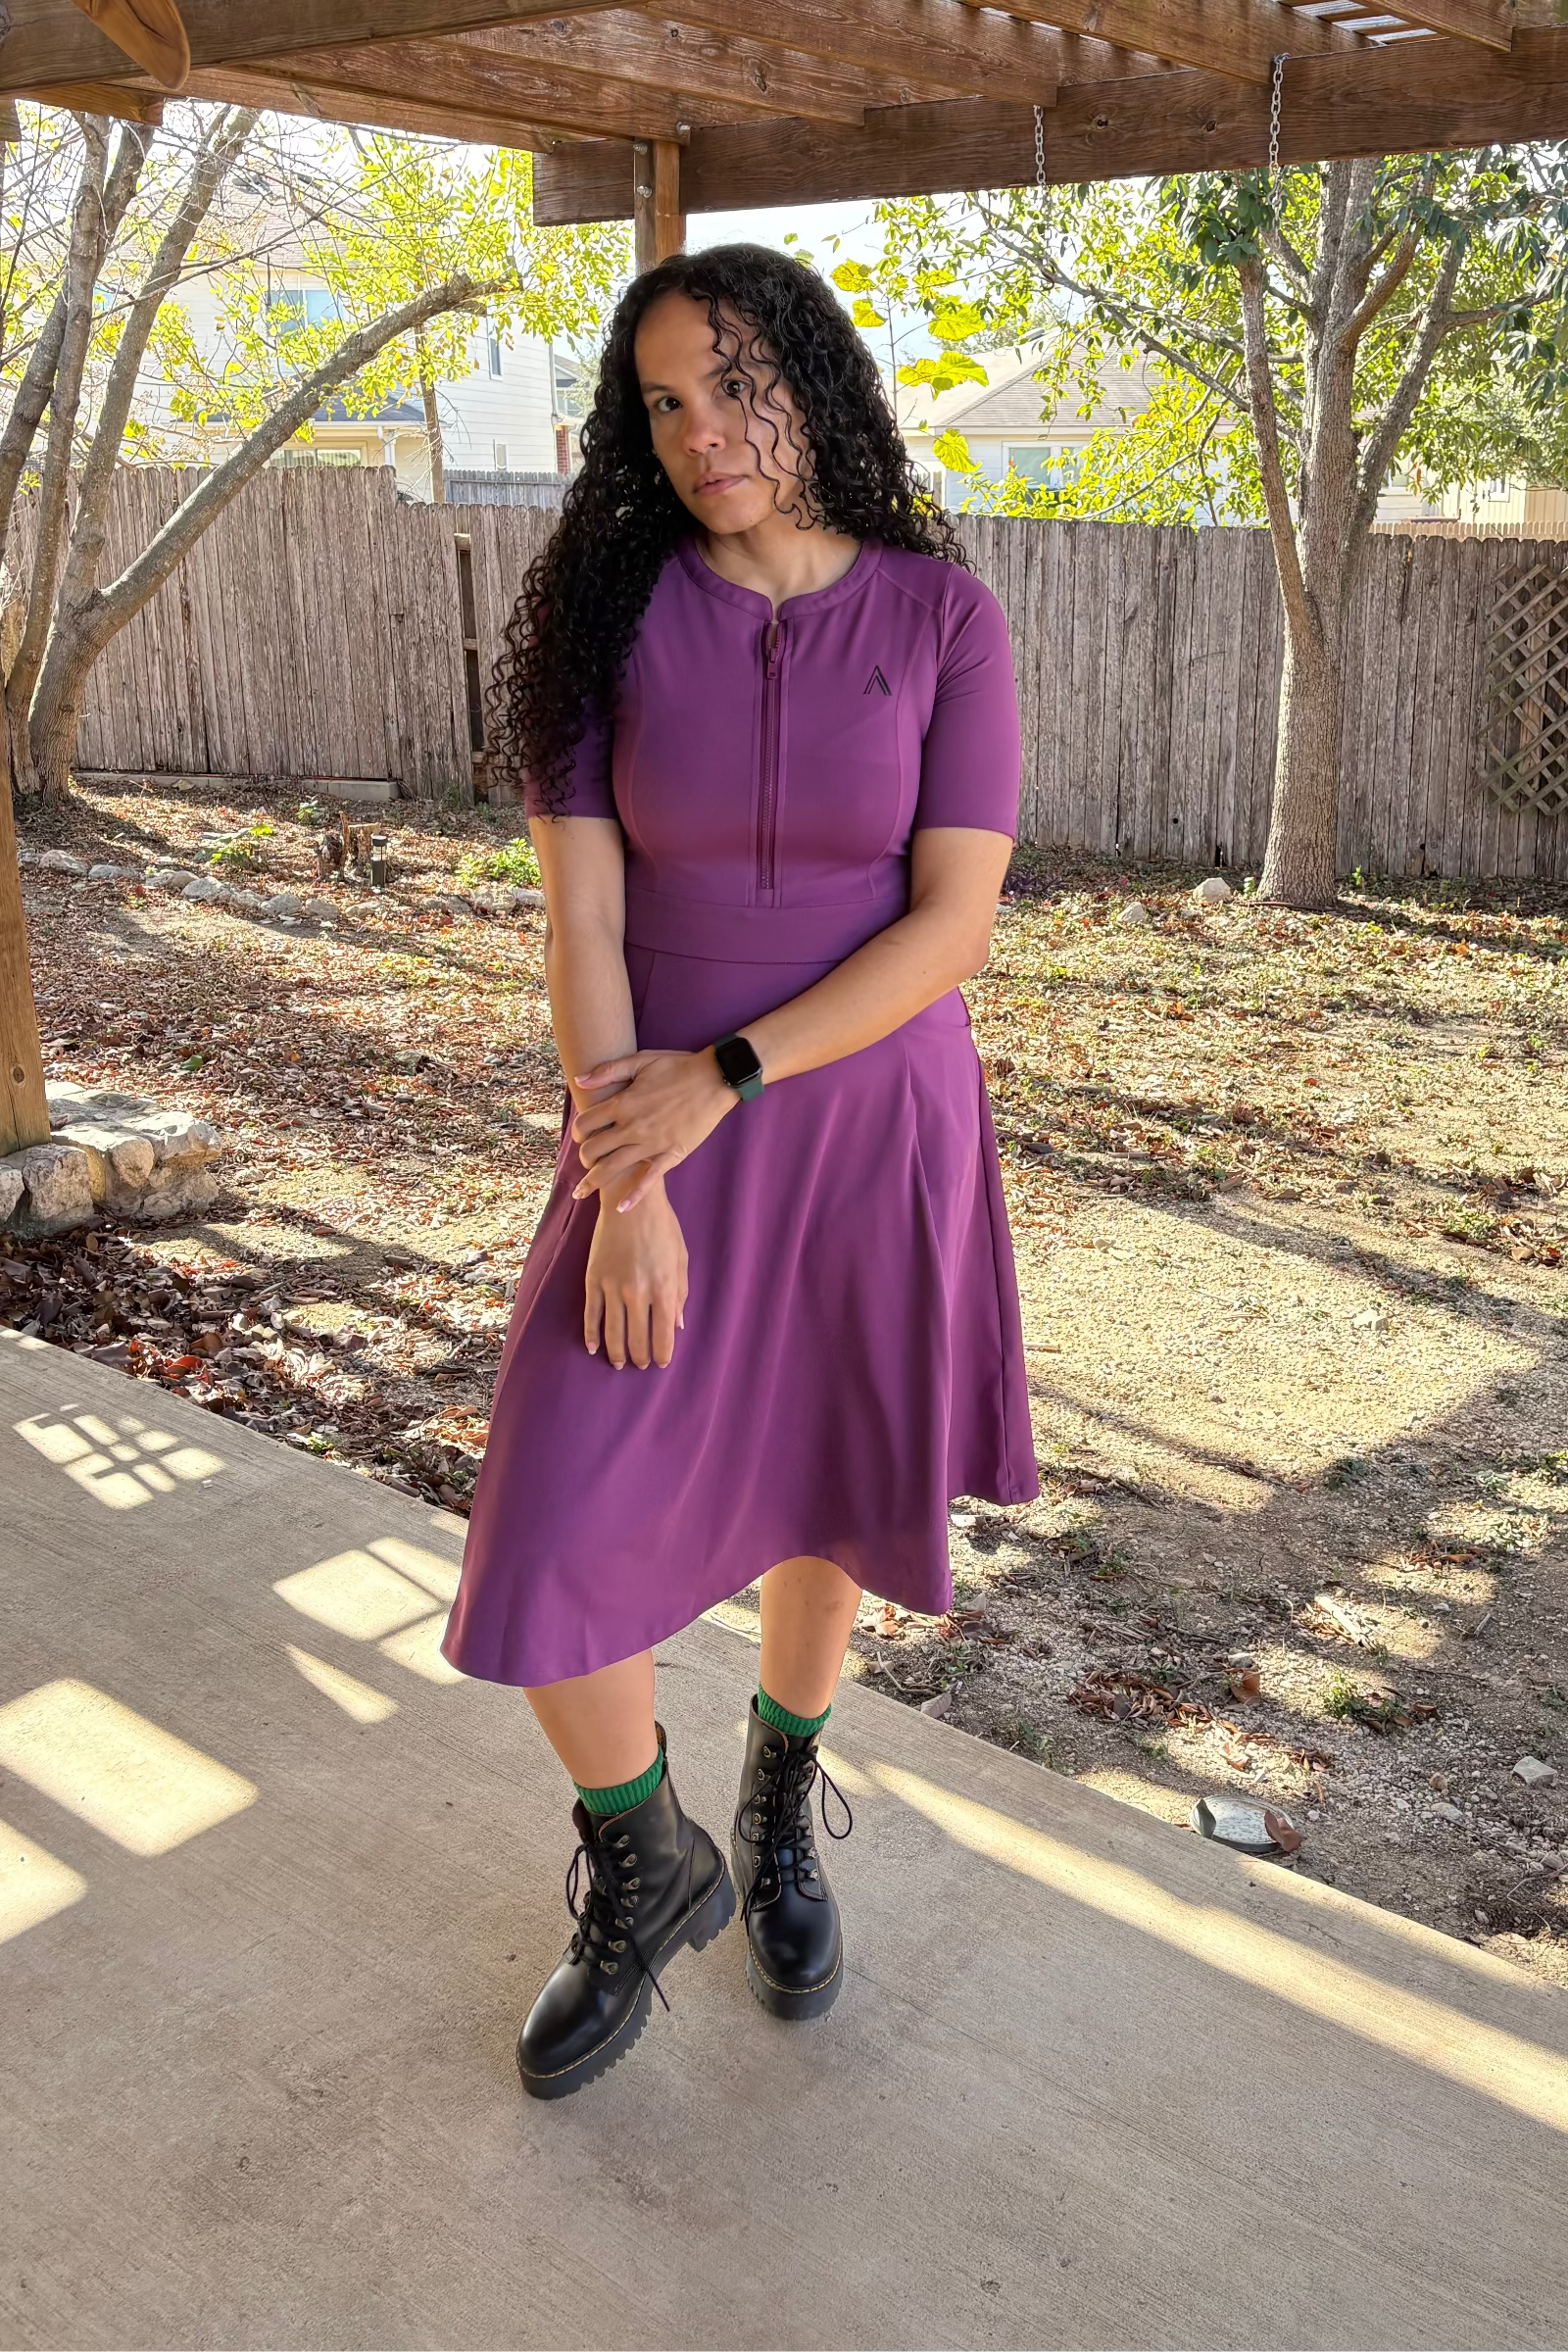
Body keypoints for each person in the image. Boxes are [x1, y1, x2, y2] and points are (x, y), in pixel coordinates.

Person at [442, 243, 1037, 2100]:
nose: (706, 431)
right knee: (545, 1535)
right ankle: (649, 1857)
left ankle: (777, 1798)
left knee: (820, 1489)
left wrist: (736, 1075)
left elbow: (953, 927)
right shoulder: (599, 622)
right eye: (666, 403)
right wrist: (634, 1175)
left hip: (869, 1122)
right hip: (645, 1140)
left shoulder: (947, 619)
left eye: (740, 383)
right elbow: (582, 918)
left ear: (819, 386)